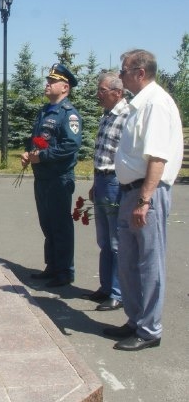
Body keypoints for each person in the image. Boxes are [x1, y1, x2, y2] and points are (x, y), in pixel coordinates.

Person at [104, 50, 183, 351]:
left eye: (123, 71)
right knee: (128, 262)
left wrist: (145, 200)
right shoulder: (139, 105)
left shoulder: (157, 104)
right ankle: (135, 320)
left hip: (146, 192)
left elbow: (158, 158)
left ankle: (150, 330)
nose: (120, 76)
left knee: (148, 263)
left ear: (139, 72)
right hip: (130, 191)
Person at [22, 63, 82, 288]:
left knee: (60, 224)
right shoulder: (45, 111)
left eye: (52, 81)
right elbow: (40, 139)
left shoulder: (69, 115)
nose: (47, 84)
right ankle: (53, 266)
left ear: (65, 87)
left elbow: (70, 146)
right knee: (47, 223)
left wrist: (42, 157)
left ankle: (65, 271)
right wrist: (29, 152)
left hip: (59, 178)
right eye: (47, 81)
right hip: (43, 178)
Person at [82, 72, 130, 311]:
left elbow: (124, 156)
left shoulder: (126, 116)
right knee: (103, 239)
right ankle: (105, 287)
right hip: (101, 180)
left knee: (115, 241)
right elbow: (102, 152)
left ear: (117, 93)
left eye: (102, 90)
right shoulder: (106, 116)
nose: (98, 94)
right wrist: (94, 182)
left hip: (114, 182)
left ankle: (117, 293)